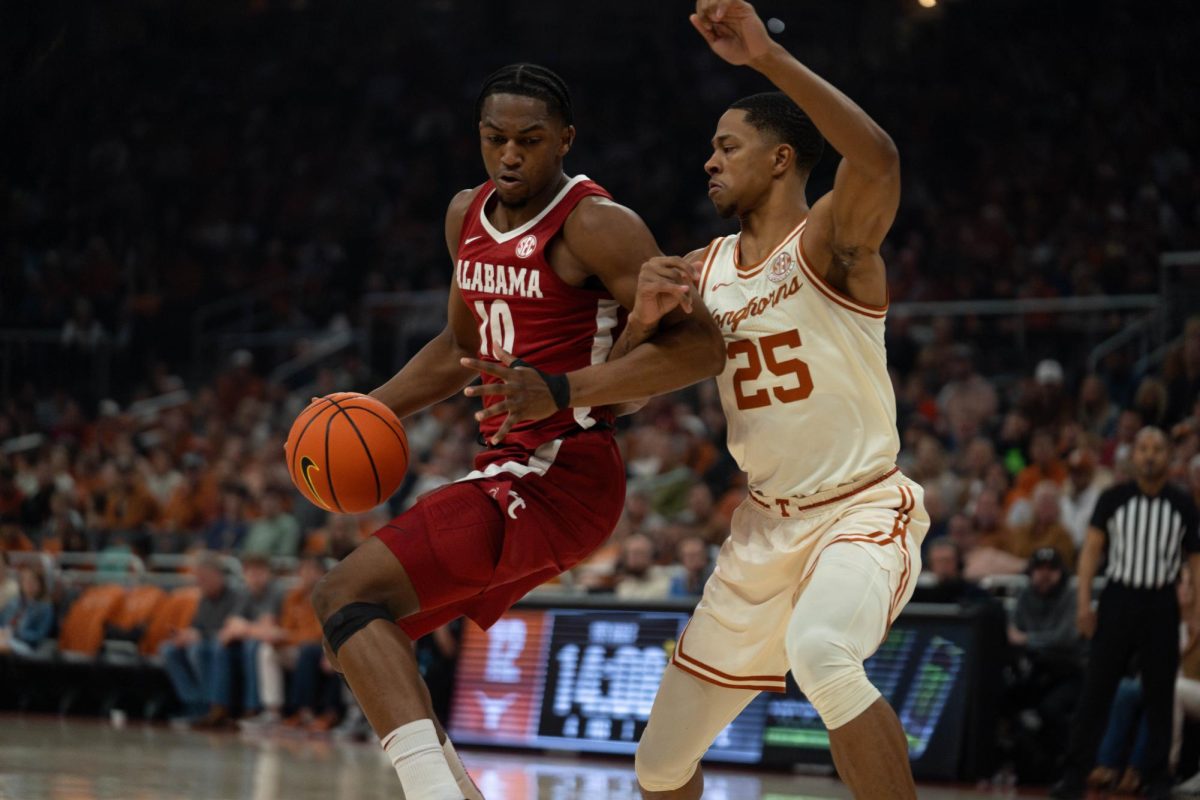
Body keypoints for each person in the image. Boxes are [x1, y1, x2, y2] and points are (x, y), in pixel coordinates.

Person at [308, 62, 724, 800]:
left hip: (566, 469)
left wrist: (564, 390)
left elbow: (700, 348)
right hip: (510, 468)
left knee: (343, 593)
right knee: (368, 634)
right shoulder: (463, 214)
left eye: (529, 141)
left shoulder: (598, 223)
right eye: (495, 139)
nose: (509, 156)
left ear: (564, 140)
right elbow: (455, 348)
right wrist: (367, 410)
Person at [633, 4, 930, 798]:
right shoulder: (701, 269)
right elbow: (625, 398)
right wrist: (638, 324)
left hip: (858, 509)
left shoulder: (832, 239)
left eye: (727, 146)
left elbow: (878, 157)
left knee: (824, 654)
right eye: (709, 149)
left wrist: (766, 57)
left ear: (781, 158)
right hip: (763, 529)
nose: (709, 162)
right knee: (658, 768)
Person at [1051, 428, 1200, 799]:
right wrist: (1085, 603)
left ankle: (1156, 777)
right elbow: (1090, 553)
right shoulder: (1114, 498)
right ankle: (1075, 773)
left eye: (1157, 449)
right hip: (1118, 600)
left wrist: (1195, 612)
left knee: (1160, 694)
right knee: (1096, 690)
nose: (1150, 455)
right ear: (1133, 456)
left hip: (1162, 603)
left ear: (1169, 457)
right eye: (1144, 449)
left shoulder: (1182, 504)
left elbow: (1196, 562)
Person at [160, 552, 243, 724]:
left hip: (228, 645)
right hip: (204, 642)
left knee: (199, 649)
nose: (198, 582)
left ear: (216, 575)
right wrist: (185, 634)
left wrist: (199, 636)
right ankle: (192, 702)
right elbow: (197, 626)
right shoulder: (204, 599)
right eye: (197, 578)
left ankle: (210, 706)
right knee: (168, 649)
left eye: (202, 577)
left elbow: (231, 629)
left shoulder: (236, 597)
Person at [0, 565, 54, 656]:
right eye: (25, 580)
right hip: (6, 639)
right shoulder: (14, 602)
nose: (29, 584)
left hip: (27, 646)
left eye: (33, 581)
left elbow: (39, 637)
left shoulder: (45, 608)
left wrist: (16, 633)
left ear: (40, 584)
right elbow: (2, 622)